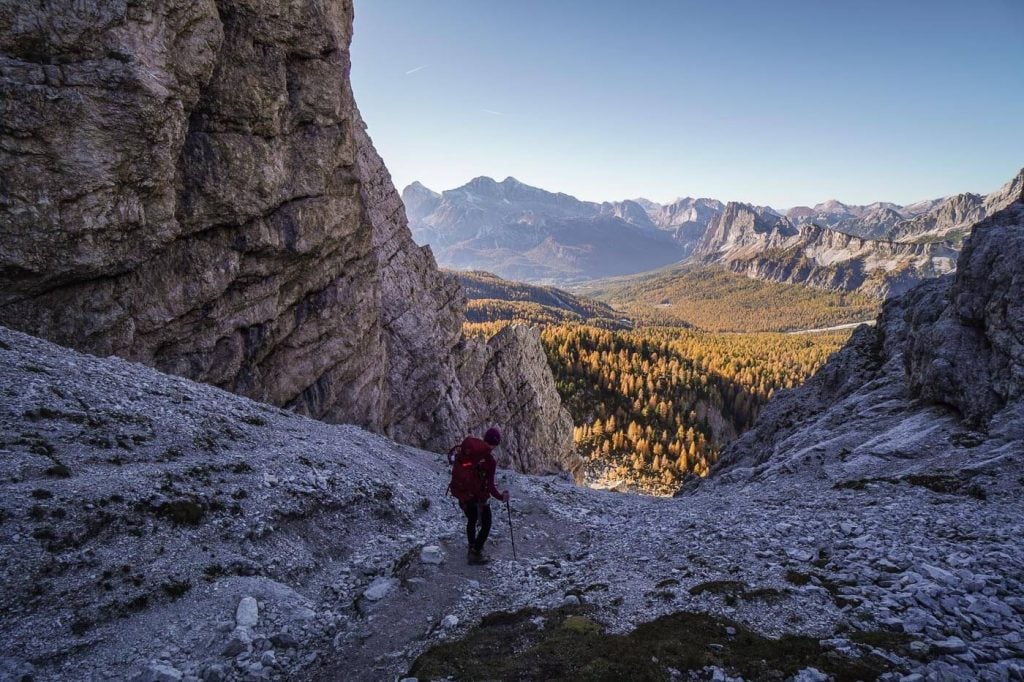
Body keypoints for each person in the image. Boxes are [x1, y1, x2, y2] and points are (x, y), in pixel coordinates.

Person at [448, 426, 510, 565]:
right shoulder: (489, 461)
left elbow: (454, 462)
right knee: (486, 524)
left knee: (472, 520)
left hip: (464, 494)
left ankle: (472, 546)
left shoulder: (469, 452)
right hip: (479, 497)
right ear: (495, 444)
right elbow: (491, 487)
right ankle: (475, 552)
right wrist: (501, 497)